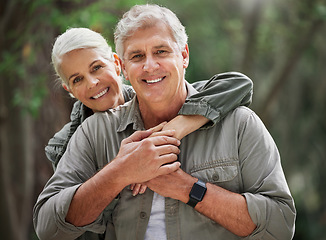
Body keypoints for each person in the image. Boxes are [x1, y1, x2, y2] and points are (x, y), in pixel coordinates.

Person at [34, 4, 296, 240]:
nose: (150, 66)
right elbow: (47, 227)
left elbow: (281, 226)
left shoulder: (238, 124)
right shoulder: (93, 131)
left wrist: (188, 188)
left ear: (184, 55)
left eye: (161, 51)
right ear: (124, 67)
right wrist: (121, 171)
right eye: (137, 57)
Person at [45, 27, 253, 196]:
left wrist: (176, 127)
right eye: (77, 79)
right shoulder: (65, 145)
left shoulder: (155, 96)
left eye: (97, 67)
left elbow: (238, 84)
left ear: (117, 64)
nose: (92, 83)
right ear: (69, 89)